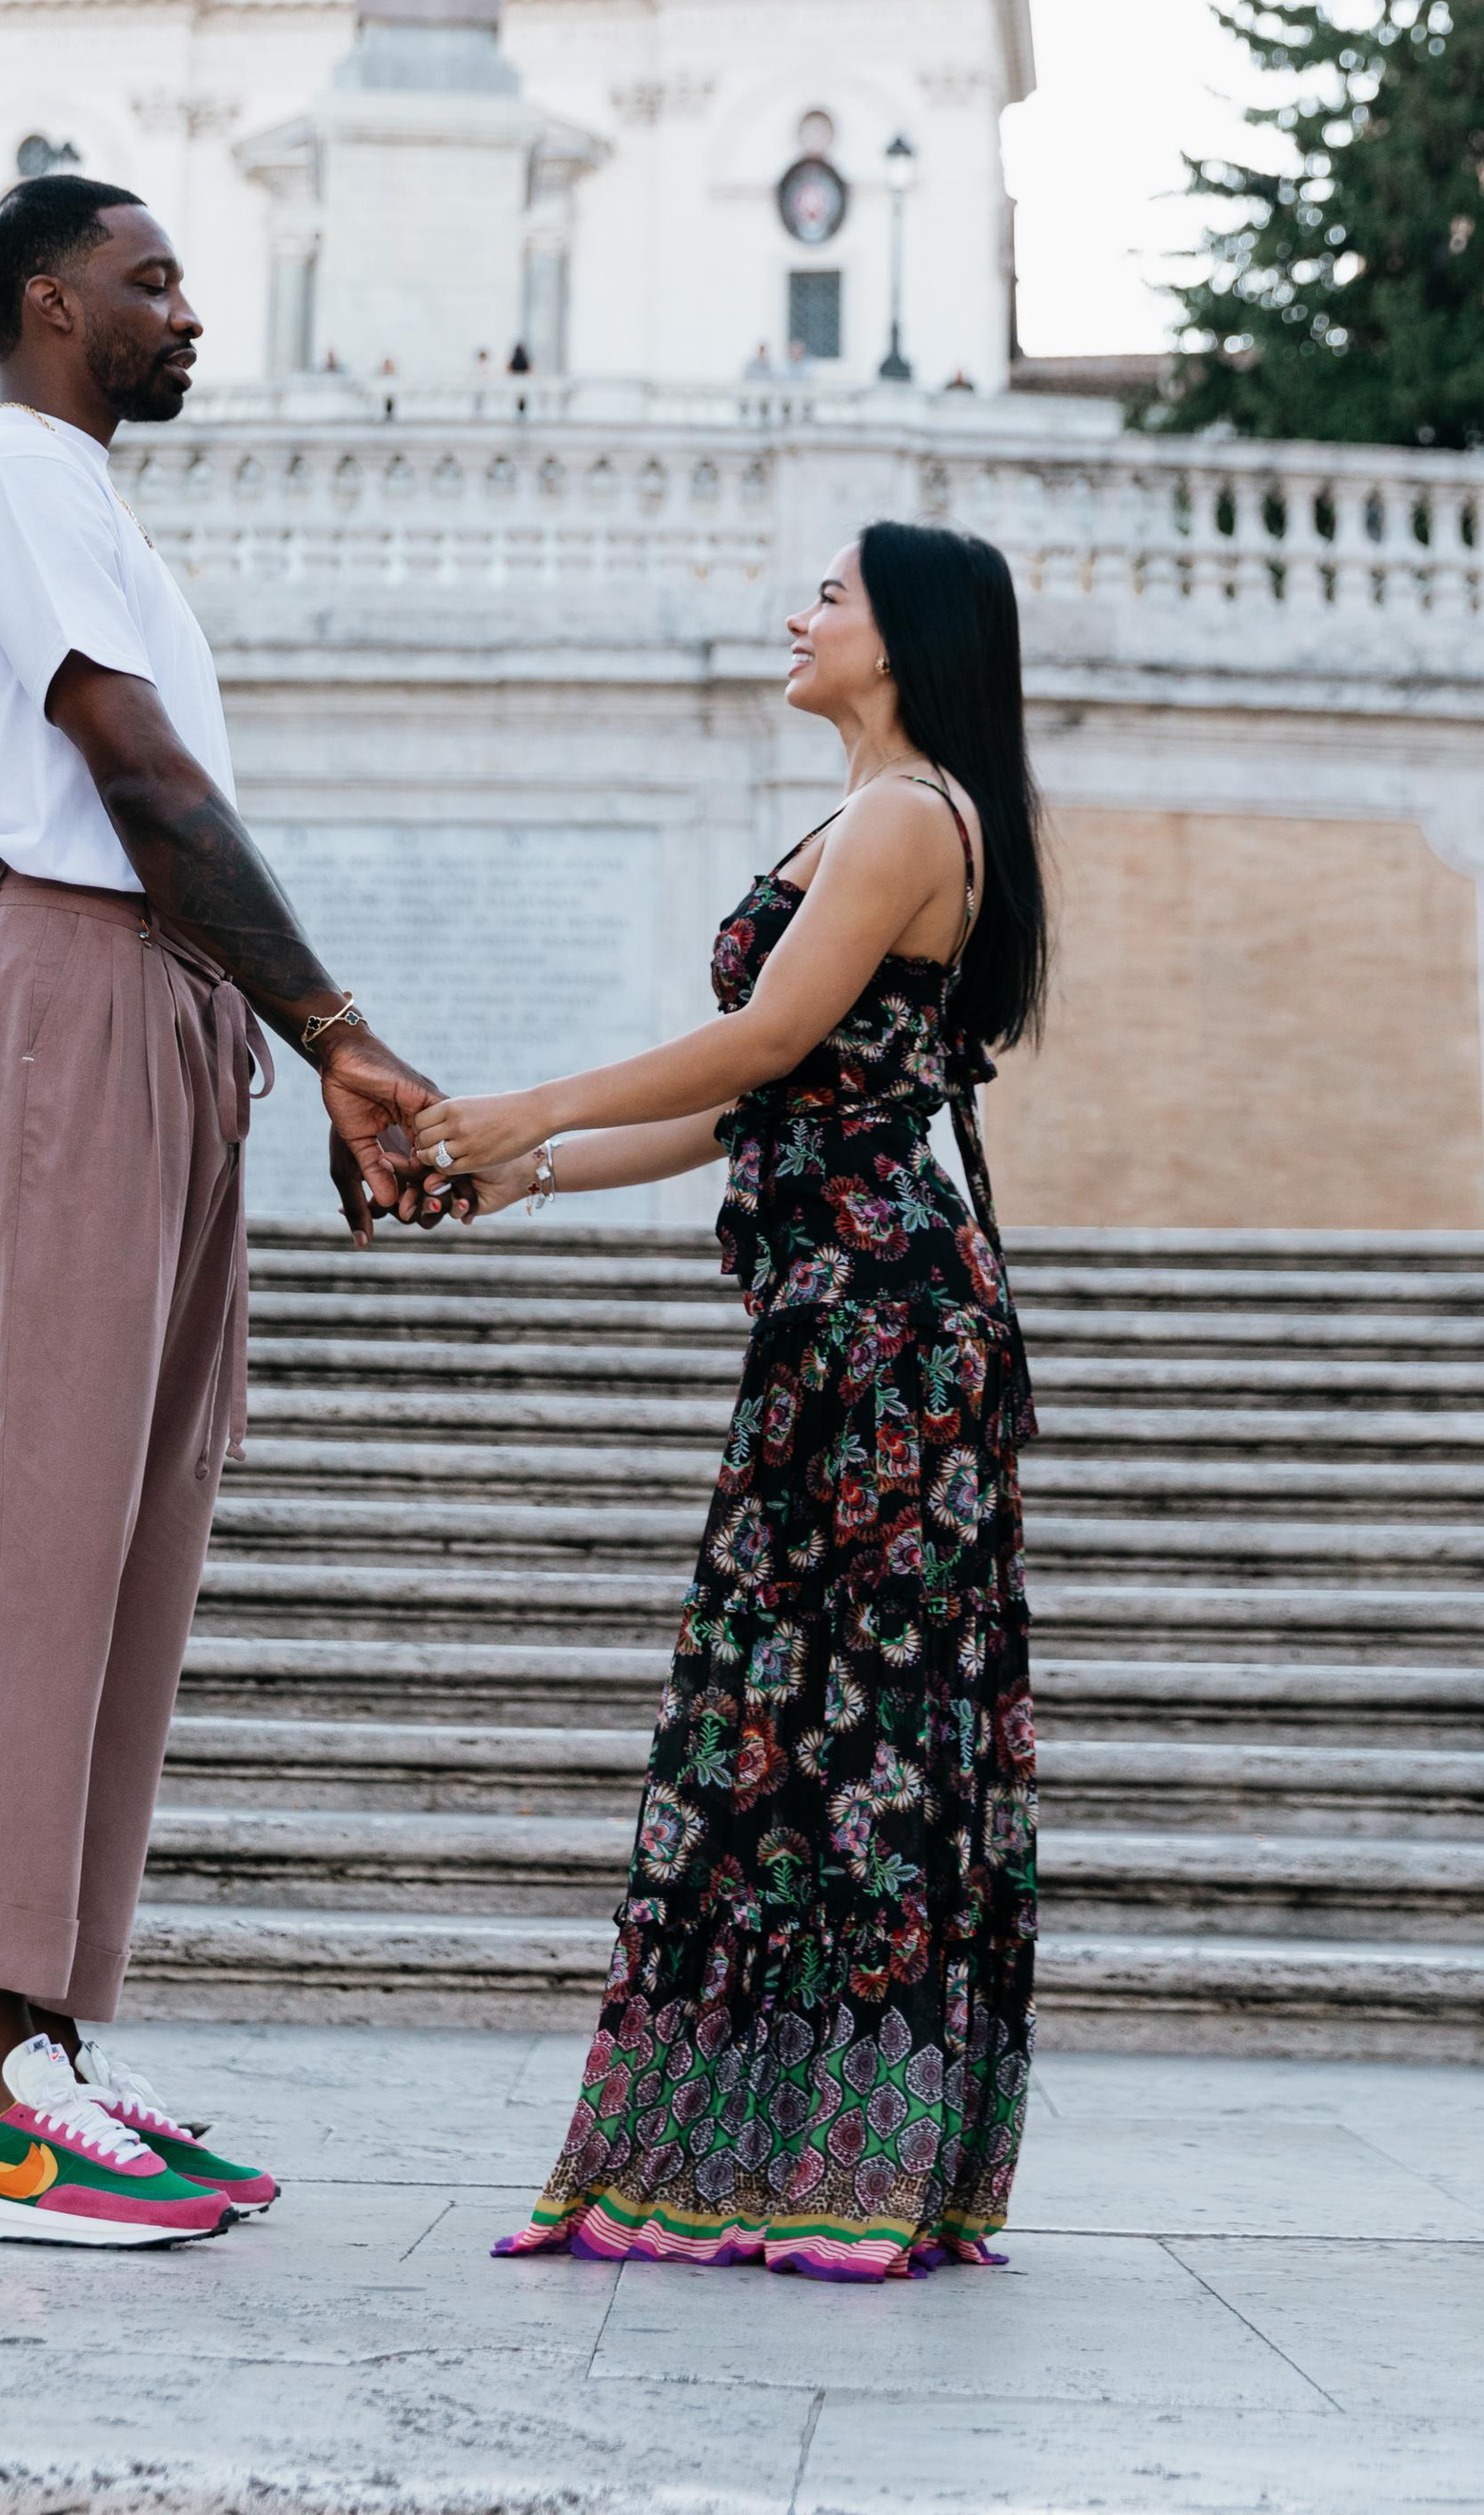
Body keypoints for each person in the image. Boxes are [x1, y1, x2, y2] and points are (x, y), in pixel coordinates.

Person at [0, 171, 452, 2248]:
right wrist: (334, 1028)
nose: (188, 310)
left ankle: (44, 2041)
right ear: (50, 304)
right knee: (32, 1532)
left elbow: (165, 797)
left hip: (154, 1007)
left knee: (132, 1536)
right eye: (151, 280)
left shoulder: (93, 507)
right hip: (60, 993)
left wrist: (265, 1026)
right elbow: (131, 772)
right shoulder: (11, 467)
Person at [413, 522, 1049, 2281]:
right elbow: (760, 1108)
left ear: (906, 635)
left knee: (848, 1731)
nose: (800, 615)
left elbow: (763, 1049)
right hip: (849, 1314)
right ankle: (805, 2157)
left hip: (883, 1328)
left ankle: (844, 2162)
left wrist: (510, 1111)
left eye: (831, 596)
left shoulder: (917, 816)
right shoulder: (877, 817)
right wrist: (527, 1179)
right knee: (810, 1724)